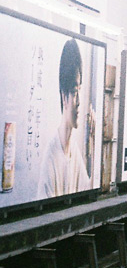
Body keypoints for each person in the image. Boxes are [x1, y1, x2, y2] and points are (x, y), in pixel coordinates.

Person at [38, 39, 91, 199]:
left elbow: (87, 190)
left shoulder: (73, 149)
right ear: (64, 96)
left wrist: (93, 144)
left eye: (80, 90)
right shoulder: (51, 158)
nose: (79, 101)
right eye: (74, 92)